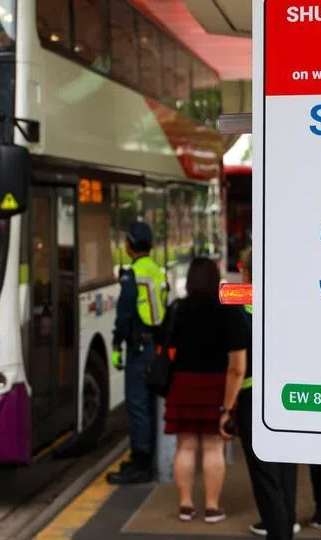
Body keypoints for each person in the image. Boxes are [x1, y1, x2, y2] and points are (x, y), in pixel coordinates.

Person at [222, 247, 298, 540]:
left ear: (245, 272)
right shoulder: (289, 303)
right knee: (287, 474)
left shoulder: (238, 309)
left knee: (266, 480)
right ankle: (286, 531)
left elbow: (236, 369)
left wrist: (225, 410)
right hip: (288, 398)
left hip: (253, 401)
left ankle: (278, 534)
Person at [163, 257, 247, 522]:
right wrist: (227, 407)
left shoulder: (178, 308)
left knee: (185, 446)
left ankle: (185, 506)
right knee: (213, 447)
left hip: (183, 384)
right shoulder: (228, 310)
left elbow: (165, 346)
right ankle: (212, 507)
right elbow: (237, 365)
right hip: (215, 385)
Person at [107, 221, 170, 484]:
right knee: (152, 406)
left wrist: (116, 345)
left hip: (139, 350)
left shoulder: (132, 276)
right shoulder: (158, 272)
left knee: (138, 405)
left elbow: (124, 316)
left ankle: (140, 465)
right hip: (155, 348)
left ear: (129, 246)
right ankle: (149, 458)